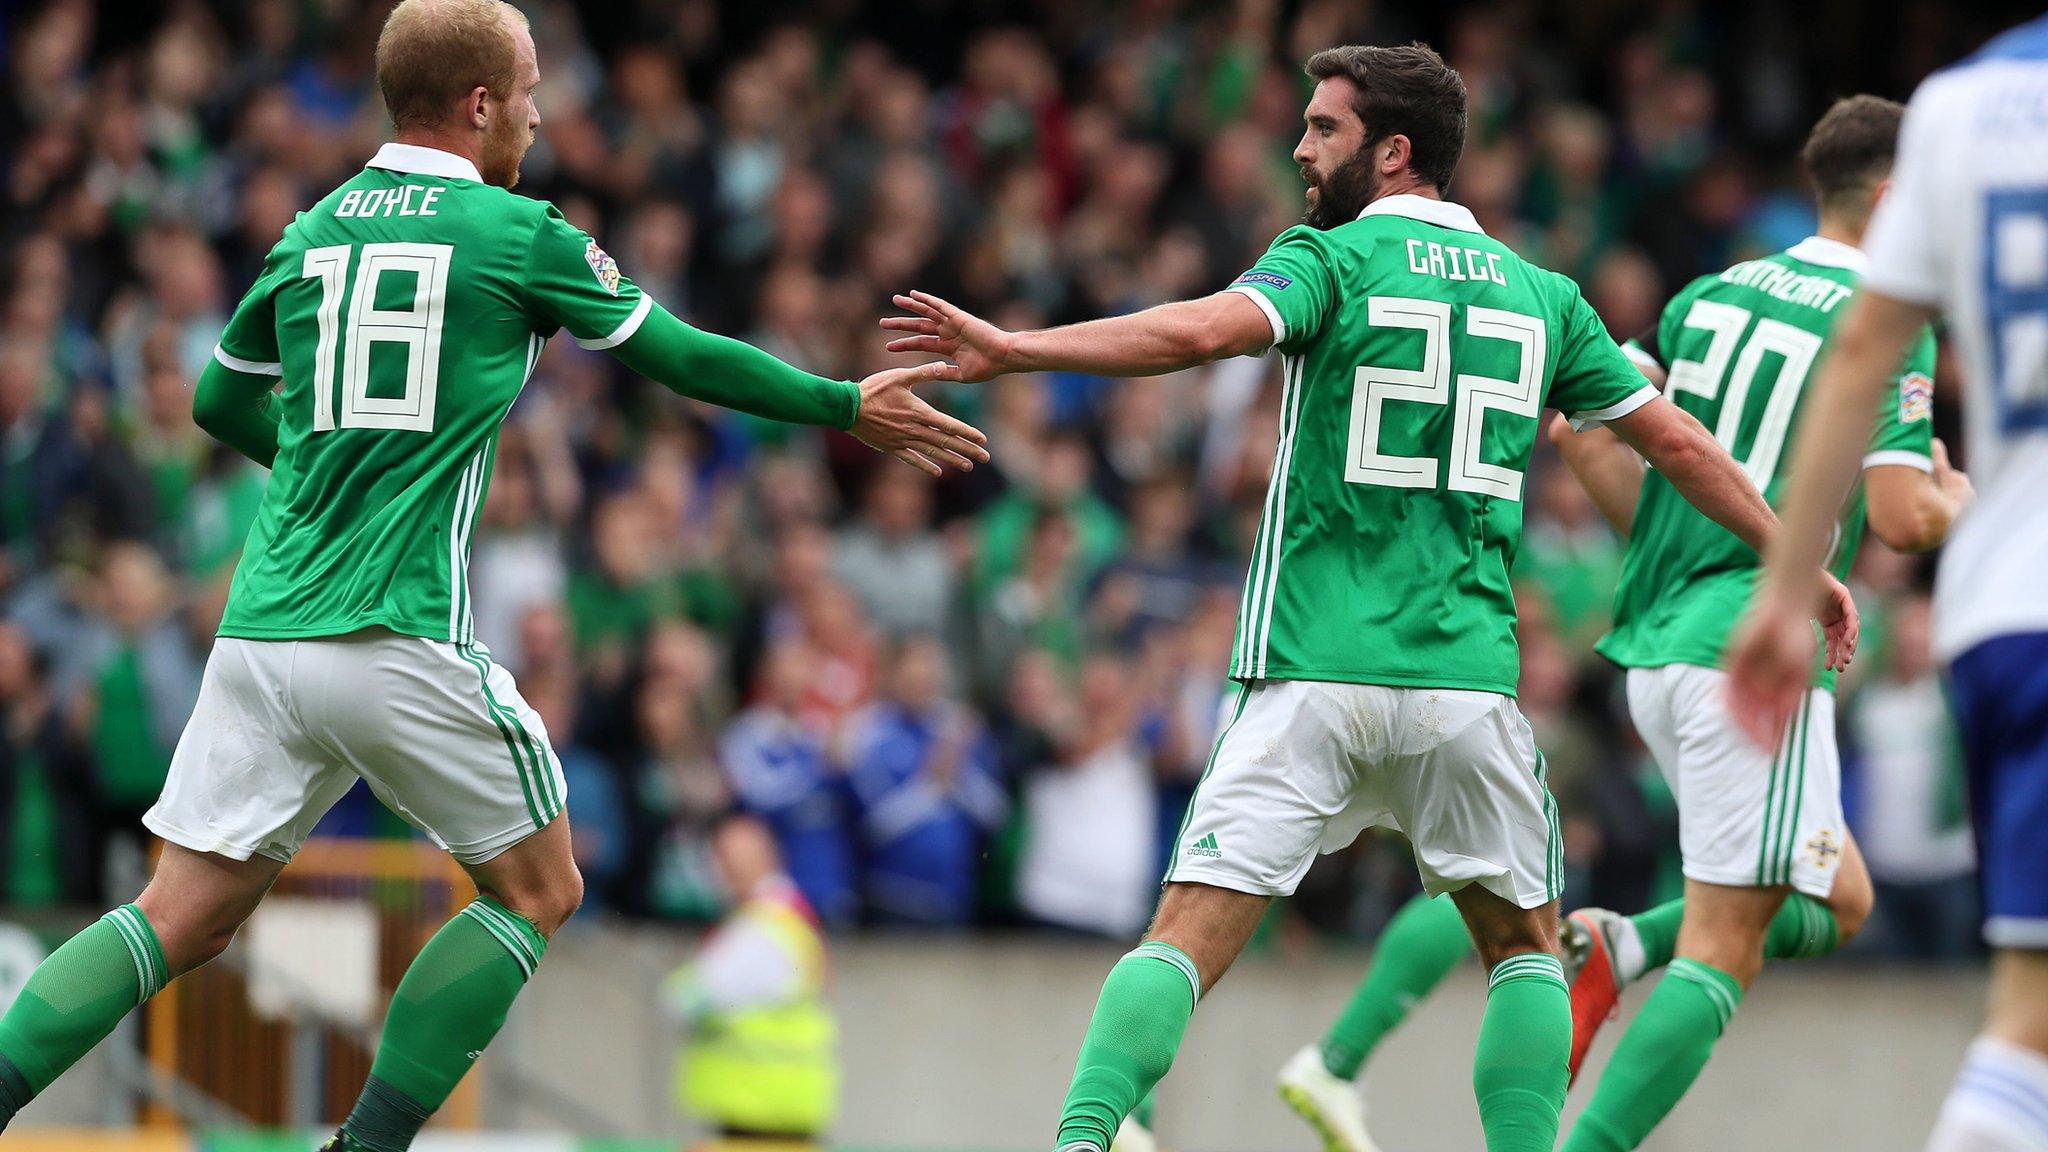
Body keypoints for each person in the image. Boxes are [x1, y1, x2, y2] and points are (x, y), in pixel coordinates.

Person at [0, 2, 985, 1149]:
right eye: (525, 89)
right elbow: (675, 355)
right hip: (394, 632)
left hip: (263, 632)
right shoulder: (518, 234)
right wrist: (839, 402)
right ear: (477, 103)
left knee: (176, 914)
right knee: (537, 889)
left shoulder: (311, 229)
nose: (537, 109)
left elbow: (221, 401)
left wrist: (328, 470)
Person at [884, 41, 1853, 1152]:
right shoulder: (1545, 296)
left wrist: (1014, 349)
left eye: (1322, 130)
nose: (1299, 148)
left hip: (1308, 667)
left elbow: (1201, 332)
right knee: (1525, 946)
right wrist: (1796, 561)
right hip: (1463, 685)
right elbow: (1673, 439)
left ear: (1392, 153)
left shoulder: (1327, 260)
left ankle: (1081, 1140)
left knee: (1183, 936)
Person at [1548, 94, 1972, 1152]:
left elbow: (1582, 436)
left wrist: (1669, 563)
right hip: (1751, 654)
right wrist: (1957, 498)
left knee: (1835, 896)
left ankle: (1620, 947)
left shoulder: (1711, 289)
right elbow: (1898, 515)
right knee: (1728, 946)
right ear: (1889, 196)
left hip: (1659, 650)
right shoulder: (1885, 313)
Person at [1727, 16, 2048, 1152]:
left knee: (2025, 1021)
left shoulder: (1959, 109)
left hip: (2001, 613)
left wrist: (1780, 593)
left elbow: (1863, 352)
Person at [662, 815, 837, 1149]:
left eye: (721, 858)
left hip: (761, 1116)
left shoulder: (762, 927)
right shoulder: (788, 917)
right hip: (779, 1115)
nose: (715, 871)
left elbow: (690, 997)